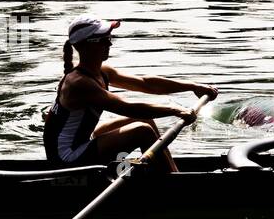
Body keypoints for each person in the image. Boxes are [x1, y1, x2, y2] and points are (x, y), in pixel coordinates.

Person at [43, 16, 217, 169]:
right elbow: (128, 108)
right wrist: (175, 110)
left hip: (84, 141)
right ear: (87, 46)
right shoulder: (79, 84)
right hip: (66, 159)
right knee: (142, 130)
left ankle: (165, 171)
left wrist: (193, 86)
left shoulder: (102, 71)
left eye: (109, 38)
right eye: (104, 40)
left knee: (145, 120)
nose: (109, 43)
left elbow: (146, 84)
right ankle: (174, 183)